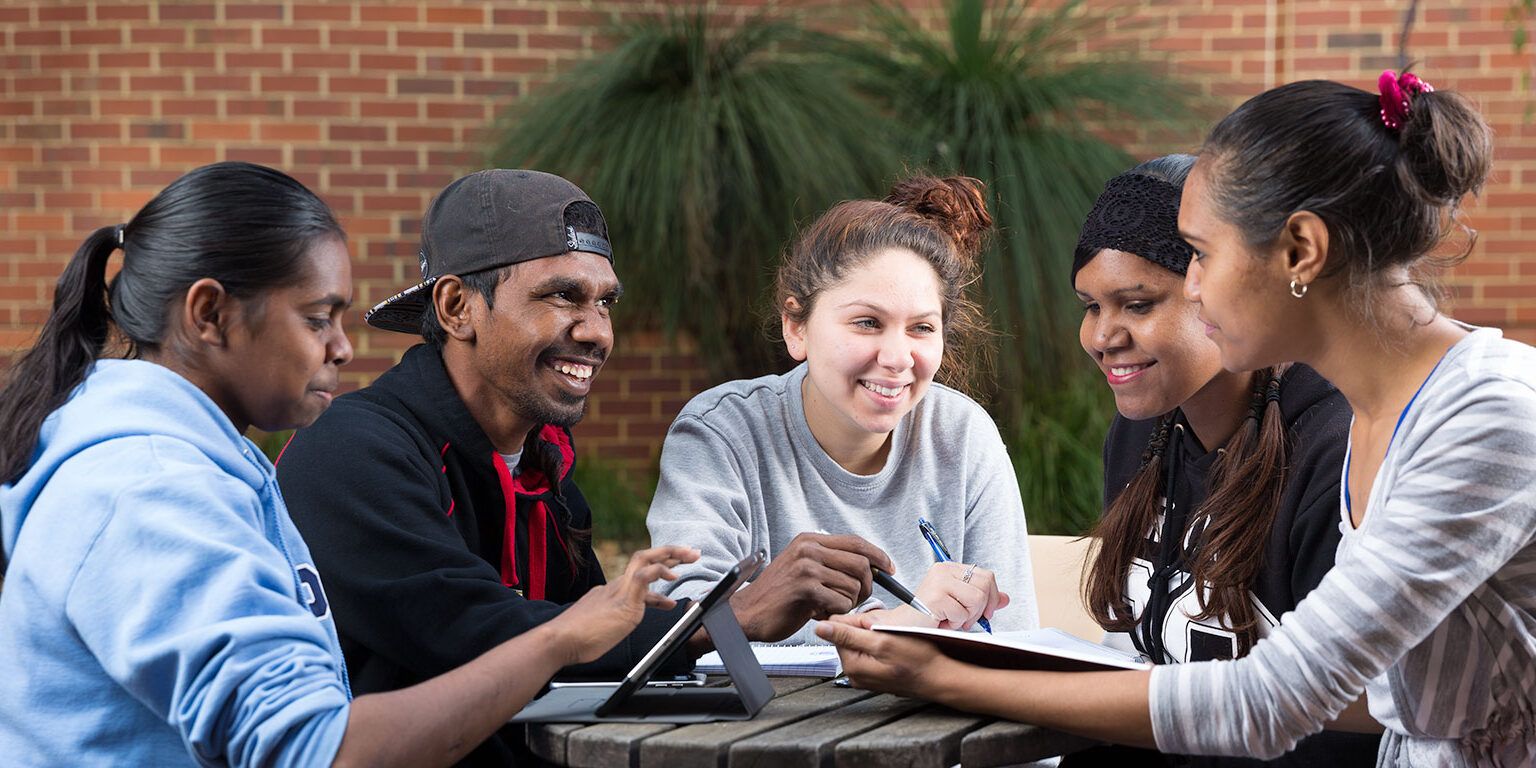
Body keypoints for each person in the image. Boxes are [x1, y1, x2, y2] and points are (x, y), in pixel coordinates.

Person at [818, 73, 1536, 766]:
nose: (1193, 285)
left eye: (1198, 254)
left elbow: (1274, 699)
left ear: (1301, 251)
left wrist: (941, 675)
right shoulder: (1384, 411)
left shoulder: (1486, 418)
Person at [0, 161, 696, 767]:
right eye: (316, 319)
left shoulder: (198, 469)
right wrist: (557, 642)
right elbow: (323, 752)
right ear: (209, 314)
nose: (342, 349)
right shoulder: (149, 491)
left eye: (605, 302)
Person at [275, 169, 819, 765]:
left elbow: (591, 645)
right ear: (458, 308)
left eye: (605, 302)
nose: (596, 332)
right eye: (562, 295)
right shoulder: (350, 452)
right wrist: (721, 619)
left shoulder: (543, 459)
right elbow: (476, 635)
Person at [1066, 155, 1379, 765]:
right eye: (1090, 306)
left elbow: (1342, 730)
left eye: (1137, 304)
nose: (1103, 336)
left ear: (1218, 291)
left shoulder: (1335, 450)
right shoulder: (1140, 436)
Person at [647, 175, 1036, 642]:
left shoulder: (963, 434)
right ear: (796, 327)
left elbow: (1013, 640)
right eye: (867, 323)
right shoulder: (721, 431)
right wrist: (904, 625)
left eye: (921, 328)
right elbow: (677, 624)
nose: (897, 358)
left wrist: (889, 627)